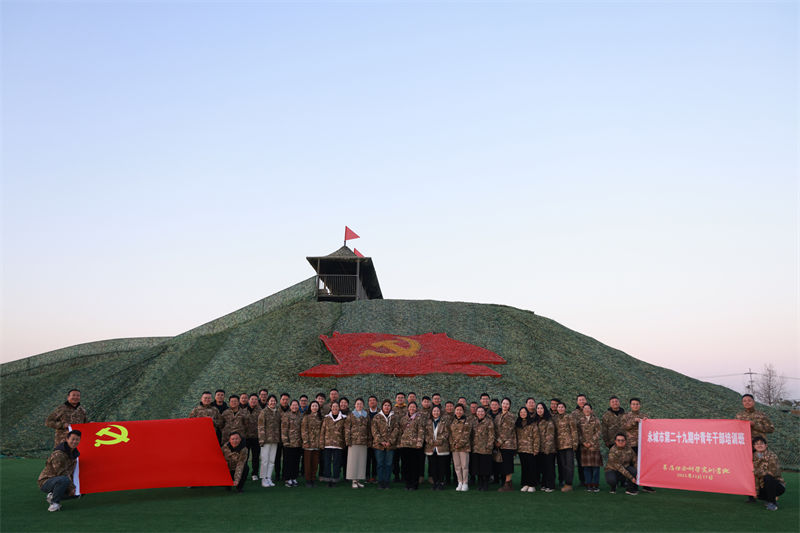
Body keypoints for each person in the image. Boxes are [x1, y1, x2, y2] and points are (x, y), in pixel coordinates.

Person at [38, 429, 81, 512]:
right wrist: (72, 487)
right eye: (72, 439)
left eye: (77, 440)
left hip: (61, 480)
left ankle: (53, 496)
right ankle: (54, 503)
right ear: (67, 439)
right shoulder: (59, 454)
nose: (75, 442)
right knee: (64, 480)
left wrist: (75, 488)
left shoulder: (74, 453)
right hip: (46, 481)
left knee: (79, 493)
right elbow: (61, 473)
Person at [752, 436, 785, 511]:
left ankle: (772, 502)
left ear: (766, 445)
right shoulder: (752, 456)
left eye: (761, 443)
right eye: (757, 444)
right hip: (760, 484)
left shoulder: (772, 456)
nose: (759, 445)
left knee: (768, 477)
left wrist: (756, 472)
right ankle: (765, 498)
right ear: (754, 446)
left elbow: (773, 473)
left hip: (776, 485)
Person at [372, 399, 398, 489]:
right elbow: (374, 430)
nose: (387, 407)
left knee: (389, 464)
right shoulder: (377, 417)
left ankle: (387, 482)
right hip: (379, 445)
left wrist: (390, 441)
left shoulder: (394, 417)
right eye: (385, 405)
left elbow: (396, 429)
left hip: (390, 445)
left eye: (388, 405)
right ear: (382, 407)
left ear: (391, 407)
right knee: (380, 464)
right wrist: (381, 441)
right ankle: (380, 482)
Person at [398, 401, 424, 490]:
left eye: (414, 407)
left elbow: (421, 431)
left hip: (414, 446)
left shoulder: (419, 418)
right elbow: (400, 431)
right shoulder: (403, 419)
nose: (412, 408)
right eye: (410, 407)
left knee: (414, 466)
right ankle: (407, 483)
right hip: (404, 445)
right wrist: (399, 443)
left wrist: (419, 442)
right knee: (406, 465)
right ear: (408, 408)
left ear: (416, 408)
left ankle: (414, 484)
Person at [319, 402, 347, 487]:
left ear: (339, 408)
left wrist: (344, 443)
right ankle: (328, 479)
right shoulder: (326, 418)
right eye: (333, 406)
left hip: (338, 444)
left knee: (336, 463)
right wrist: (321, 443)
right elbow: (322, 431)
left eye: (336, 406)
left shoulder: (343, 418)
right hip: (327, 444)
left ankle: (335, 478)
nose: (335, 408)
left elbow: (345, 432)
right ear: (331, 408)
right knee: (327, 462)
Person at [577, 402, 602, 493]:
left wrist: (591, 442)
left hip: (594, 447)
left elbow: (598, 432)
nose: (587, 410)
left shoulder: (596, 420)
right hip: (584, 447)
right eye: (585, 408)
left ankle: (595, 485)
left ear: (591, 410)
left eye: (588, 408)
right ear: (583, 410)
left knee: (595, 467)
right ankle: (588, 485)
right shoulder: (580, 421)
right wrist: (583, 442)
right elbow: (578, 433)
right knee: (586, 467)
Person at [345, 398, 370, 489]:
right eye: (357, 404)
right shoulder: (351, 415)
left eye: (361, 404)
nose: (359, 405)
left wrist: (369, 440)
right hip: (353, 441)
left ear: (363, 405)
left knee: (361, 462)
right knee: (353, 462)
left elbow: (368, 428)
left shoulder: (366, 415)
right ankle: (353, 481)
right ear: (355, 405)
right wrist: (348, 440)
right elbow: (347, 428)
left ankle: (358, 480)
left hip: (363, 442)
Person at [424, 405, 450, 490]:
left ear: (440, 412)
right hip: (431, 448)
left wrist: (439, 441)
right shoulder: (428, 422)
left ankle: (441, 483)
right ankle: (435, 483)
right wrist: (430, 441)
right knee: (433, 467)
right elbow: (425, 433)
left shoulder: (444, 421)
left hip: (442, 447)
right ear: (431, 412)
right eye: (434, 411)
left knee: (441, 467)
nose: (436, 412)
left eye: (437, 411)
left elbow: (447, 432)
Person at [554, 401, 578, 492]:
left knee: (569, 465)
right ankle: (563, 482)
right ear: (557, 409)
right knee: (562, 465)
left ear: (565, 408)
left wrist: (574, 444)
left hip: (568, 445)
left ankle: (569, 484)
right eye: (559, 407)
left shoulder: (569, 417)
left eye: (562, 407)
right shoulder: (555, 418)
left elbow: (574, 431)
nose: (560, 409)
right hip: (559, 446)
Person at [257, 394, 281, 487]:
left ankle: (268, 477)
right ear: (268, 402)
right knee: (265, 460)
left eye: (274, 401)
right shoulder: (263, 412)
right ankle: (263, 479)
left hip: (275, 440)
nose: (273, 402)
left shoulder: (277, 412)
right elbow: (260, 427)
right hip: (266, 440)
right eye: (271, 401)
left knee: (272, 460)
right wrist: (261, 439)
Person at [494, 397, 517, 492]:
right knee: (503, 464)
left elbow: (507, 430)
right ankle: (505, 483)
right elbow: (495, 429)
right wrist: (496, 441)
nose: (505, 405)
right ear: (501, 404)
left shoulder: (511, 416)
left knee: (508, 464)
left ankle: (508, 484)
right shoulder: (498, 416)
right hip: (500, 445)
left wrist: (499, 441)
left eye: (507, 404)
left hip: (508, 445)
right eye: (504, 403)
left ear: (509, 405)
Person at [470, 406, 495, 491]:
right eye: (478, 411)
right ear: (476, 413)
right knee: (478, 467)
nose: (480, 413)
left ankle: (486, 484)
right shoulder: (474, 422)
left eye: (482, 411)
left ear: (485, 413)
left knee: (485, 468)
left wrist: (489, 446)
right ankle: (480, 483)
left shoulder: (489, 422)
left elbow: (491, 435)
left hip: (485, 449)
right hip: (476, 448)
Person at [534, 402, 556, 492]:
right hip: (539, 449)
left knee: (549, 468)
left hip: (548, 449)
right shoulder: (536, 420)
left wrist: (547, 448)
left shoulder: (549, 420)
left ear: (545, 409)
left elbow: (550, 436)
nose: (539, 410)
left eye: (541, 408)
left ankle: (551, 485)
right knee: (542, 468)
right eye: (538, 408)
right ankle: (544, 484)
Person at [280, 399, 303, 487]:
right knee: (288, 461)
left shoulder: (300, 416)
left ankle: (294, 477)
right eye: (293, 405)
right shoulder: (286, 416)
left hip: (298, 443)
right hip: (289, 443)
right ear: (290, 406)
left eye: (296, 405)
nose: (294, 407)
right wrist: (285, 441)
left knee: (296, 461)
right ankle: (287, 478)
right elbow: (284, 430)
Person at [449, 403, 472, 491]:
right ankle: (460, 482)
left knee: (464, 466)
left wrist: (459, 444)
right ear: (455, 411)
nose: (459, 411)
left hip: (464, 447)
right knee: (457, 466)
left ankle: (465, 483)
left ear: (463, 411)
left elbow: (466, 435)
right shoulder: (453, 421)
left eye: (460, 410)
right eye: (457, 410)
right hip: (454, 448)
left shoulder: (467, 421)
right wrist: (453, 444)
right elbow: (450, 434)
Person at [301, 401, 323, 487]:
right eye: (313, 406)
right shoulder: (306, 417)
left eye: (316, 406)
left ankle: (313, 479)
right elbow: (304, 430)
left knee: (315, 463)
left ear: (318, 407)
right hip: (308, 444)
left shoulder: (320, 417)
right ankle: (308, 480)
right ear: (310, 407)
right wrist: (306, 441)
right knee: (308, 463)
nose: (314, 407)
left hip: (317, 444)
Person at [515, 406, 537, 493]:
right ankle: (525, 484)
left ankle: (532, 485)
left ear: (527, 413)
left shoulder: (532, 423)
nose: (523, 414)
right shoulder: (518, 423)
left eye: (524, 412)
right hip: (521, 449)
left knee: (531, 467)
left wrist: (536, 449)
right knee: (524, 467)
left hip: (531, 449)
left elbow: (536, 436)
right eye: (521, 412)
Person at [571, 393, 588, 485]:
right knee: (580, 462)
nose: (582, 401)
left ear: (586, 400)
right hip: (579, 442)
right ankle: (583, 480)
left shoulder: (590, 411)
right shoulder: (574, 414)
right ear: (577, 402)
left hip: (590, 442)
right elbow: (574, 429)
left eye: (583, 399)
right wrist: (582, 441)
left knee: (590, 462)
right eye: (580, 400)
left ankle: (590, 480)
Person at [243, 394, 261, 481]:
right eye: (252, 399)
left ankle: (255, 473)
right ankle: (243, 473)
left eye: (255, 399)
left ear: (257, 401)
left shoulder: (261, 411)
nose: (253, 401)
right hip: (245, 437)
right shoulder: (243, 411)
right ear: (248, 400)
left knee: (255, 457)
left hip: (256, 437)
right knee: (244, 457)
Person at [391, 392, 408, 482]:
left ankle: (404, 476)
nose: (400, 399)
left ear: (404, 399)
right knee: (395, 459)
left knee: (404, 459)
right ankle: (396, 475)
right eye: (398, 397)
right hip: (395, 438)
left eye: (402, 397)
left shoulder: (408, 409)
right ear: (396, 399)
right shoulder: (392, 409)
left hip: (405, 438)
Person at [275, 393, 291, 481]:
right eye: (283, 399)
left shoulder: (291, 410)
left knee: (287, 458)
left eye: (286, 399)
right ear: (280, 400)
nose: (285, 401)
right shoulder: (276, 410)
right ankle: (277, 474)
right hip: (277, 438)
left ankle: (285, 475)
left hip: (288, 438)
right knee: (277, 458)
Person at [366, 395, 380, 483]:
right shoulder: (364, 412)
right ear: (368, 403)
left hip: (377, 440)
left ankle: (374, 476)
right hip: (367, 439)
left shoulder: (380, 412)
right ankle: (367, 476)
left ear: (377, 402)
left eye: (374, 400)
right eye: (370, 400)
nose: (372, 402)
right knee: (367, 459)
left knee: (376, 459)